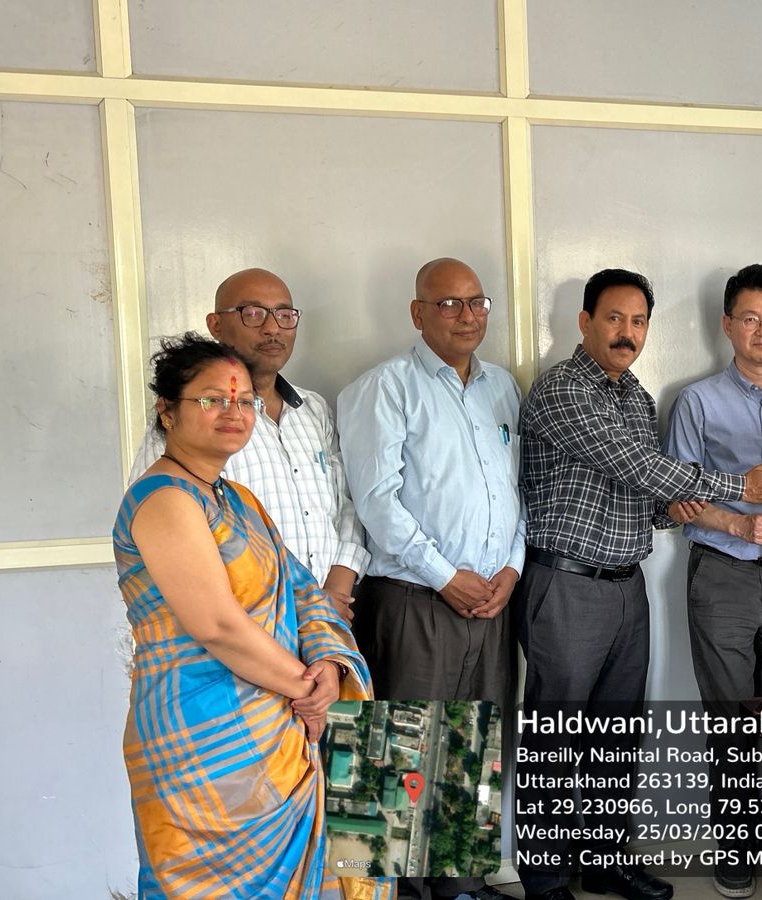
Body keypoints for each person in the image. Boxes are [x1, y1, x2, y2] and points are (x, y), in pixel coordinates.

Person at [514, 268, 762, 900]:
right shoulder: (563, 388)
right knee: (556, 738)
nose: (627, 333)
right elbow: (638, 464)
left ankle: (605, 860)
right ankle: (546, 879)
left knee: (616, 736)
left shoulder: (637, 397)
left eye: (639, 321)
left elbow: (649, 497)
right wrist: (739, 488)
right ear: (585, 322)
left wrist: (679, 508)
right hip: (565, 583)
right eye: (614, 319)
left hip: (626, 583)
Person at [113, 333, 382, 899]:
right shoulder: (164, 499)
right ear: (167, 411)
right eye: (212, 399)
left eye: (243, 401)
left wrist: (330, 667)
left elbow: (304, 592)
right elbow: (217, 626)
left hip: (282, 719)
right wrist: (309, 691)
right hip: (205, 736)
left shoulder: (238, 500)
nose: (233, 412)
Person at [337, 258, 521, 899]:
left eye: (477, 302)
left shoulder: (501, 388)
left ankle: (461, 888)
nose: (467, 316)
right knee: (400, 756)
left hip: (490, 601)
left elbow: (513, 491)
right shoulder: (384, 387)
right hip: (414, 598)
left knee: (472, 750)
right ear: (418, 314)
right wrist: (446, 577)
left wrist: (511, 568)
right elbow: (376, 503)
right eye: (449, 304)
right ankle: (399, 895)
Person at [661, 263, 762, 899]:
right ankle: (737, 848)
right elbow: (677, 497)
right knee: (731, 718)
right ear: (727, 325)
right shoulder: (697, 401)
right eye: (750, 318)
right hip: (723, 577)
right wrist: (741, 523)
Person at [128, 268, 369, 623]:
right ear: (215, 325)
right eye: (253, 313)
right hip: (242, 626)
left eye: (284, 315)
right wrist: (298, 610)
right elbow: (166, 537)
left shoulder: (313, 410)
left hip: (328, 620)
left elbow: (346, 507)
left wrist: (331, 595)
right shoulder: (192, 420)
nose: (272, 328)